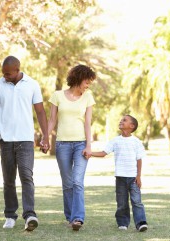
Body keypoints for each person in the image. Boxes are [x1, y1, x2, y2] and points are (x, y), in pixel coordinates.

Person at [0, 56, 50, 231]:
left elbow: (40, 112)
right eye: (3, 74)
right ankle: (10, 215)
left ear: (17, 69)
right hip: (5, 140)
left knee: (26, 177)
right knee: (8, 180)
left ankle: (30, 214)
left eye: (8, 74)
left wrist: (45, 136)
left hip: (26, 140)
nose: (5, 76)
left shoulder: (32, 84)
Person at [47, 64, 96, 231]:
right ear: (78, 78)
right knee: (67, 183)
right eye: (87, 82)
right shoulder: (57, 95)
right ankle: (70, 217)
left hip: (81, 144)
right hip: (62, 144)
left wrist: (89, 145)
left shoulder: (88, 97)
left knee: (77, 181)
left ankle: (78, 218)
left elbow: (88, 123)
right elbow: (52, 120)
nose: (88, 86)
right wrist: (46, 138)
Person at [90, 115, 148, 232]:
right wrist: (90, 153)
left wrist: (138, 176)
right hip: (120, 177)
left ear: (131, 126)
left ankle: (141, 222)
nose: (121, 121)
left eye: (124, 120)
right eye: (121, 119)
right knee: (121, 202)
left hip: (133, 178)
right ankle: (122, 223)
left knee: (136, 201)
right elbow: (103, 153)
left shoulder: (136, 142)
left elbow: (139, 159)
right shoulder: (115, 141)